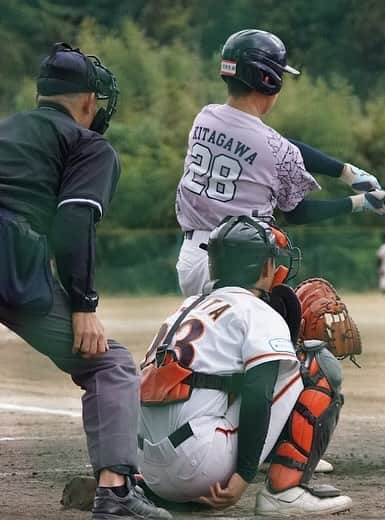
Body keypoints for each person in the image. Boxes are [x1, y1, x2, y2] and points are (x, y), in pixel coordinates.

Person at [0, 43, 171, 520]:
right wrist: (83, 303)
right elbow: (74, 220)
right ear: (88, 102)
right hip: (10, 257)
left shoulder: (8, 130)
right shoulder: (87, 144)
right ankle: (116, 493)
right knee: (109, 364)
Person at [138, 216, 351, 516]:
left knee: (218, 381)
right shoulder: (256, 311)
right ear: (266, 267)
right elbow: (257, 395)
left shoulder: (186, 308)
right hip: (198, 468)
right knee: (316, 362)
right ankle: (284, 491)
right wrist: (243, 477)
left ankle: (134, 483)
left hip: (147, 469)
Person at [176, 28, 385, 298]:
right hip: (237, 263)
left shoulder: (205, 118)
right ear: (268, 80)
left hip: (190, 259)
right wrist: (359, 203)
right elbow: (296, 212)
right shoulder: (275, 148)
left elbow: (277, 144)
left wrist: (346, 172)